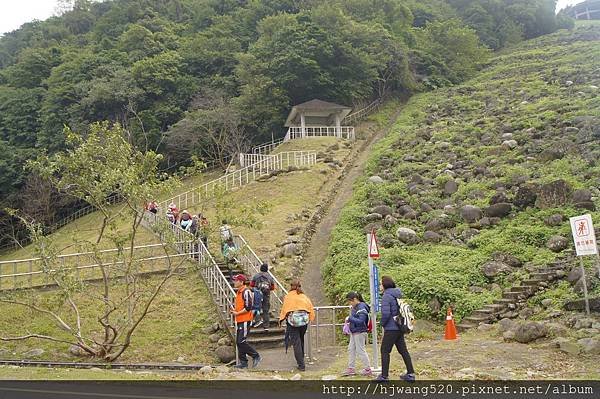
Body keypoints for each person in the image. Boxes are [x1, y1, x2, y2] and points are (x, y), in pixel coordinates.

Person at [374, 276, 415, 383]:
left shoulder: (387, 296)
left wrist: (382, 324)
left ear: (385, 285)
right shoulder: (397, 294)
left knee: (384, 351)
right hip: (399, 326)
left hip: (391, 328)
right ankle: (410, 374)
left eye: (380, 284)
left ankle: (384, 376)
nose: (379, 286)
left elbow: (386, 314)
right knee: (403, 350)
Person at [279, 279, 315, 371]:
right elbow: (310, 307)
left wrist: (281, 319)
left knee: (296, 343)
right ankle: (301, 359)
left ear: (291, 286)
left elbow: (285, 309)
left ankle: (301, 365)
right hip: (304, 322)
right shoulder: (304, 296)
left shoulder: (288, 296)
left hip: (293, 323)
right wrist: (311, 318)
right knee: (301, 340)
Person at [229, 274, 261, 369]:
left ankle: (256, 355)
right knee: (239, 342)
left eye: (236, 280)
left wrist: (237, 313)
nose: (234, 282)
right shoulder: (239, 292)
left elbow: (248, 307)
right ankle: (243, 362)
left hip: (245, 320)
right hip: (239, 319)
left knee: (241, 341)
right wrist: (234, 311)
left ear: (241, 282)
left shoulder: (246, 291)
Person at [342, 292, 372, 377]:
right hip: (354, 331)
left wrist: (350, 318)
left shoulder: (361, 307)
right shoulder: (356, 307)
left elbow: (361, 320)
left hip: (360, 331)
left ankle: (367, 369)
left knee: (360, 350)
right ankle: (351, 368)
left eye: (350, 301)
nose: (349, 303)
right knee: (351, 349)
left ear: (355, 299)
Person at [250, 263, 275, 330]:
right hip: (266, 295)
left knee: (256, 308)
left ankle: (256, 321)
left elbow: (251, 285)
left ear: (260, 268)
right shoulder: (270, 277)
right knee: (266, 310)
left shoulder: (256, 276)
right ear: (267, 269)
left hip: (257, 295)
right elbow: (272, 287)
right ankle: (266, 326)